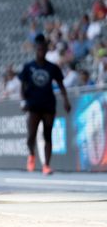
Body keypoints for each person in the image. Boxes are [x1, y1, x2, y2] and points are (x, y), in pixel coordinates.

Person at [19, 34, 71, 175]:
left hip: (48, 104)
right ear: (35, 50)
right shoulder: (28, 67)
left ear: (46, 50)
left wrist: (66, 100)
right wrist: (23, 101)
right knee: (31, 135)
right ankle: (31, 155)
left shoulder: (52, 67)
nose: (41, 52)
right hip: (33, 104)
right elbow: (22, 86)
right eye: (39, 49)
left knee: (48, 135)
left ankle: (46, 165)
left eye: (43, 49)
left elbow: (61, 85)